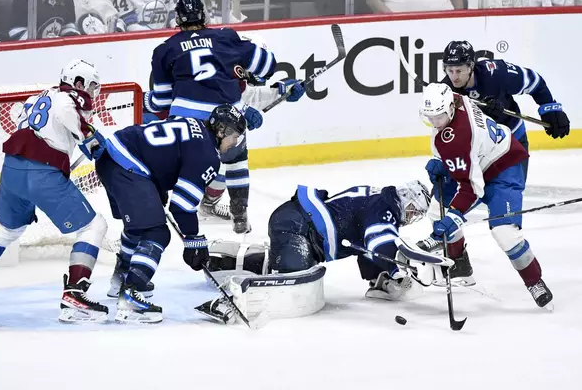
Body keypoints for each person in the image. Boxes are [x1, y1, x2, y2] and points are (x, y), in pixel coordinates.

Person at [0, 59, 110, 323]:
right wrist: (90, 138)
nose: (92, 92)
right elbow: (75, 125)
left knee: (6, 228)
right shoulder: (66, 101)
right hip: (42, 174)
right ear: (78, 83)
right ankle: (75, 294)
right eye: (90, 85)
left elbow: (31, 122)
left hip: (11, 171)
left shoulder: (37, 97)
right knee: (94, 226)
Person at [417, 40, 570, 283]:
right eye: (449, 70)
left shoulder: (495, 73)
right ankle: (460, 264)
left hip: (507, 148)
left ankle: (533, 279)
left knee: (504, 228)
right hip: (474, 154)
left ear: (471, 66)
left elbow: (535, 81)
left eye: (459, 70)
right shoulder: (449, 92)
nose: (453, 76)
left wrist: (550, 108)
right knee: (440, 208)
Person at [95, 103, 247, 324]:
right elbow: (182, 205)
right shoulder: (207, 155)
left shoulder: (194, 124)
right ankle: (131, 295)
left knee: (138, 226)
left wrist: (156, 186)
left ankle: (121, 278)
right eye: (233, 135)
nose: (235, 142)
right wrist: (195, 241)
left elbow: (164, 154)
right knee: (156, 232)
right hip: (129, 166)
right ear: (221, 130)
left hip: (112, 157)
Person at [198, 180, 432, 323]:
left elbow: (366, 243)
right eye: (412, 211)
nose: (411, 218)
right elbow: (378, 243)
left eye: (416, 215)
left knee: (281, 265)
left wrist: (379, 277)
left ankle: (222, 259)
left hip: (296, 222)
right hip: (298, 228)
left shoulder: (379, 198)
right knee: (295, 282)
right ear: (404, 199)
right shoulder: (384, 209)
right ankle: (227, 301)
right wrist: (396, 269)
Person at [143, 0, 278, 234]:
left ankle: (157, 212)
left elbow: (161, 102)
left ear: (177, 20)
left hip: (185, 121)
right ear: (205, 18)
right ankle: (239, 217)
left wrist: (147, 100)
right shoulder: (225, 37)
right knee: (236, 160)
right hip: (227, 117)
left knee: (178, 165)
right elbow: (268, 65)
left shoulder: (164, 50)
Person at [419, 82, 553, 308]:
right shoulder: (454, 99)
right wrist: (443, 163)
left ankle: (534, 281)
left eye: (439, 117)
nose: (435, 123)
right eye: (430, 117)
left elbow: (472, 188)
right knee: (435, 210)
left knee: (505, 234)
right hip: (477, 159)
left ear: (450, 108)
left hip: (504, 166)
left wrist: (454, 216)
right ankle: (460, 264)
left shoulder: (460, 136)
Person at [198, 33, 306, 228]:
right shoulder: (222, 70)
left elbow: (247, 95)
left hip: (205, 126)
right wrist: (242, 110)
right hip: (194, 126)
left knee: (229, 157)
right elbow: (212, 98)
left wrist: (281, 91)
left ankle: (207, 204)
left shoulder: (232, 69)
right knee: (224, 158)